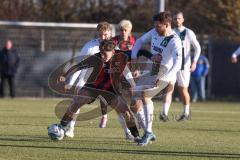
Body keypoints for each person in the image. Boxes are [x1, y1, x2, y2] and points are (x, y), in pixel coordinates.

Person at [49, 39, 140, 141]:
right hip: (93, 87)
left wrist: (136, 69)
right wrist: (65, 76)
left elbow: (140, 52)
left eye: (105, 54)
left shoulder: (122, 56)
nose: (102, 56)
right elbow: (78, 66)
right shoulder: (96, 58)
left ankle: (136, 136)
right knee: (77, 101)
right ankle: (61, 126)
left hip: (111, 90)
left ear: (113, 51)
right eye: (101, 53)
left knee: (125, 112)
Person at [64, 22, 136, 140]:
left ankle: (128, 133)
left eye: (106, 35)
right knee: (76, 102)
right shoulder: (89, 47)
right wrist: (71, 82)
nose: (103, 37)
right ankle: (70, 130)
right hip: (88, 80)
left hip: (107, 82)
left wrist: (131, 82)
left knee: (119, 106)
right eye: (101, 35)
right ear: (97, 34)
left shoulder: (115, 48)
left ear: (110, 34)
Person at [130, 11, 182, 146]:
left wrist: (166, 77)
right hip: (151, 67)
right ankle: (148, 129)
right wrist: (134, 57)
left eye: (159, 26)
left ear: (167, 25)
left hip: (165, 71)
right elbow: (139, 41)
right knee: (134, 100)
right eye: (155, 26)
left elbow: (178, 64)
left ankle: (147, 132)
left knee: (146, 95)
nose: (156, 28)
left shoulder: (175, 40)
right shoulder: (154, 32)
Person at [160, 11, 201, 122]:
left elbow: (197, 48)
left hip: (184, 65)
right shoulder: (171, 32)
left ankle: (186, 113)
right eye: (175, 18)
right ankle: (164, 113)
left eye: (179, 18)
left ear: (183, 20)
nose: (177, 20)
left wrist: (194, 61)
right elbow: (164, 47)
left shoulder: (188, 32)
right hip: (172, 65)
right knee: (168, 88)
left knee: (183, 90)